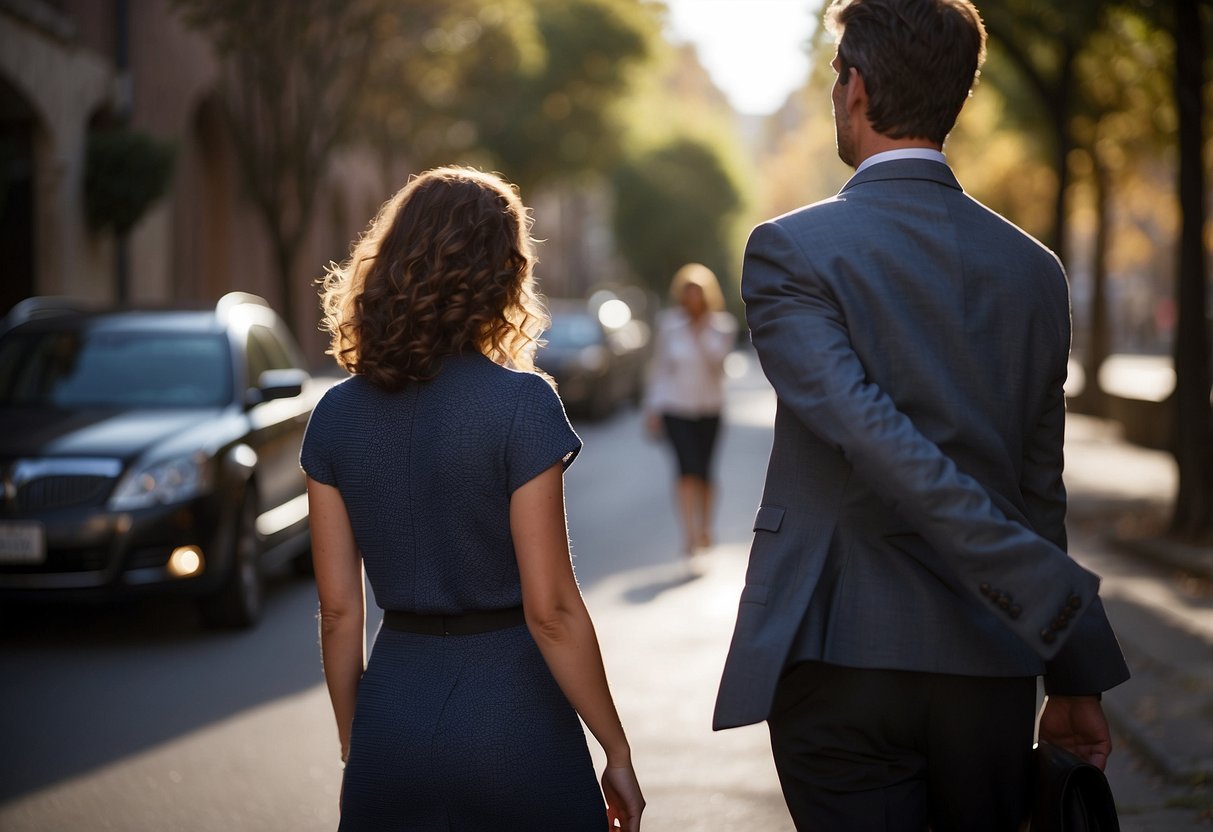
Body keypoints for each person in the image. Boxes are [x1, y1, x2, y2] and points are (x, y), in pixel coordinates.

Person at [713, 2, 1130, 830]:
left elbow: (875, 438)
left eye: (835, 79)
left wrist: (1073, 639)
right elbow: (1037, 489)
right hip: (991, 663)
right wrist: (1071, 664)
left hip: (839, 655)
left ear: (855, 90)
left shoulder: (791, 252)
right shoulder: (1035, 271)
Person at [302, 166, 644, 831]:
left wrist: (358, 741)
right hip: (514, 724)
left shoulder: (335, 417)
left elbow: (339, 613)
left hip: (392, 720)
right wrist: (616, 749)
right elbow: (550, 609)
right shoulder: (521, 405)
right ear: (502, 276)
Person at [643, 263, 737, 556]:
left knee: (706, 472)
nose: (693, 298)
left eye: (698, 292)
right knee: (685, 470)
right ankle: (689, 533)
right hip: (676, 407)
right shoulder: (669, 325)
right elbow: (660, 369)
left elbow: (718, 362)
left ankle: (706, 525)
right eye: (688, 292)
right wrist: (652, 408)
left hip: (710, 407)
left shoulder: (722, 326)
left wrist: (702, 329)